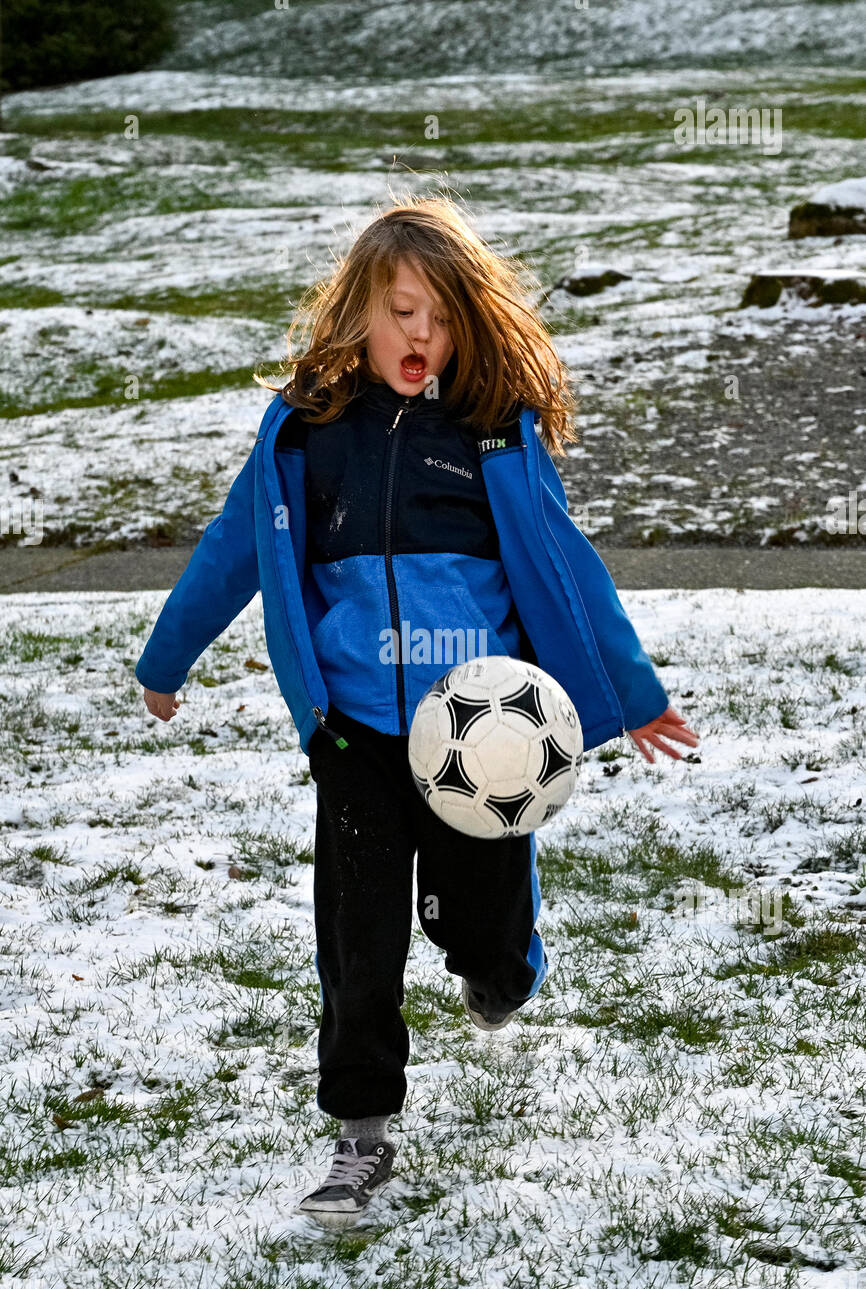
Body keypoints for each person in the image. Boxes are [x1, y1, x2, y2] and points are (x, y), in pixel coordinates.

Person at [136, 195, 698, 1229]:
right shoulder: (307, 439)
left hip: (477, 736)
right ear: (357, 311)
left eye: (440, 316)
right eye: (401, 312)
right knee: (358, 935)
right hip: (352, 732)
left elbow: (568, 573)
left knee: (471, 924)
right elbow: (231, 552)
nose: (421, 336)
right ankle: (359, 1134)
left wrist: (638, 692)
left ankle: (500, 966)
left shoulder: (489, 436)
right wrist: (165, 658)